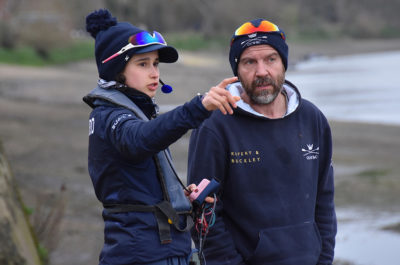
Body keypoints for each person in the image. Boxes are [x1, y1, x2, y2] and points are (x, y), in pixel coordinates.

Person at [83, 9, 239, 265]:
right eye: (143, 64)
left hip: (164, 250)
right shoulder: (109, 116)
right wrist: (199, 107)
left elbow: (138, 182)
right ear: (116, 69)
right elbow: (139, 140)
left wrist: (180, 197)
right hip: (141, 255)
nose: (154, 73)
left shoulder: (136, 112)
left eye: (155, 63)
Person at [187, 18, 337, 265]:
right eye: (249, 62)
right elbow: (203, 215)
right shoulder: (214, 126)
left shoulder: (312, 119)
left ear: (283, 63)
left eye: (271, 59)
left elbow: (324, 200)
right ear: (236, 70)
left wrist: (324, 259)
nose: (262, 71)